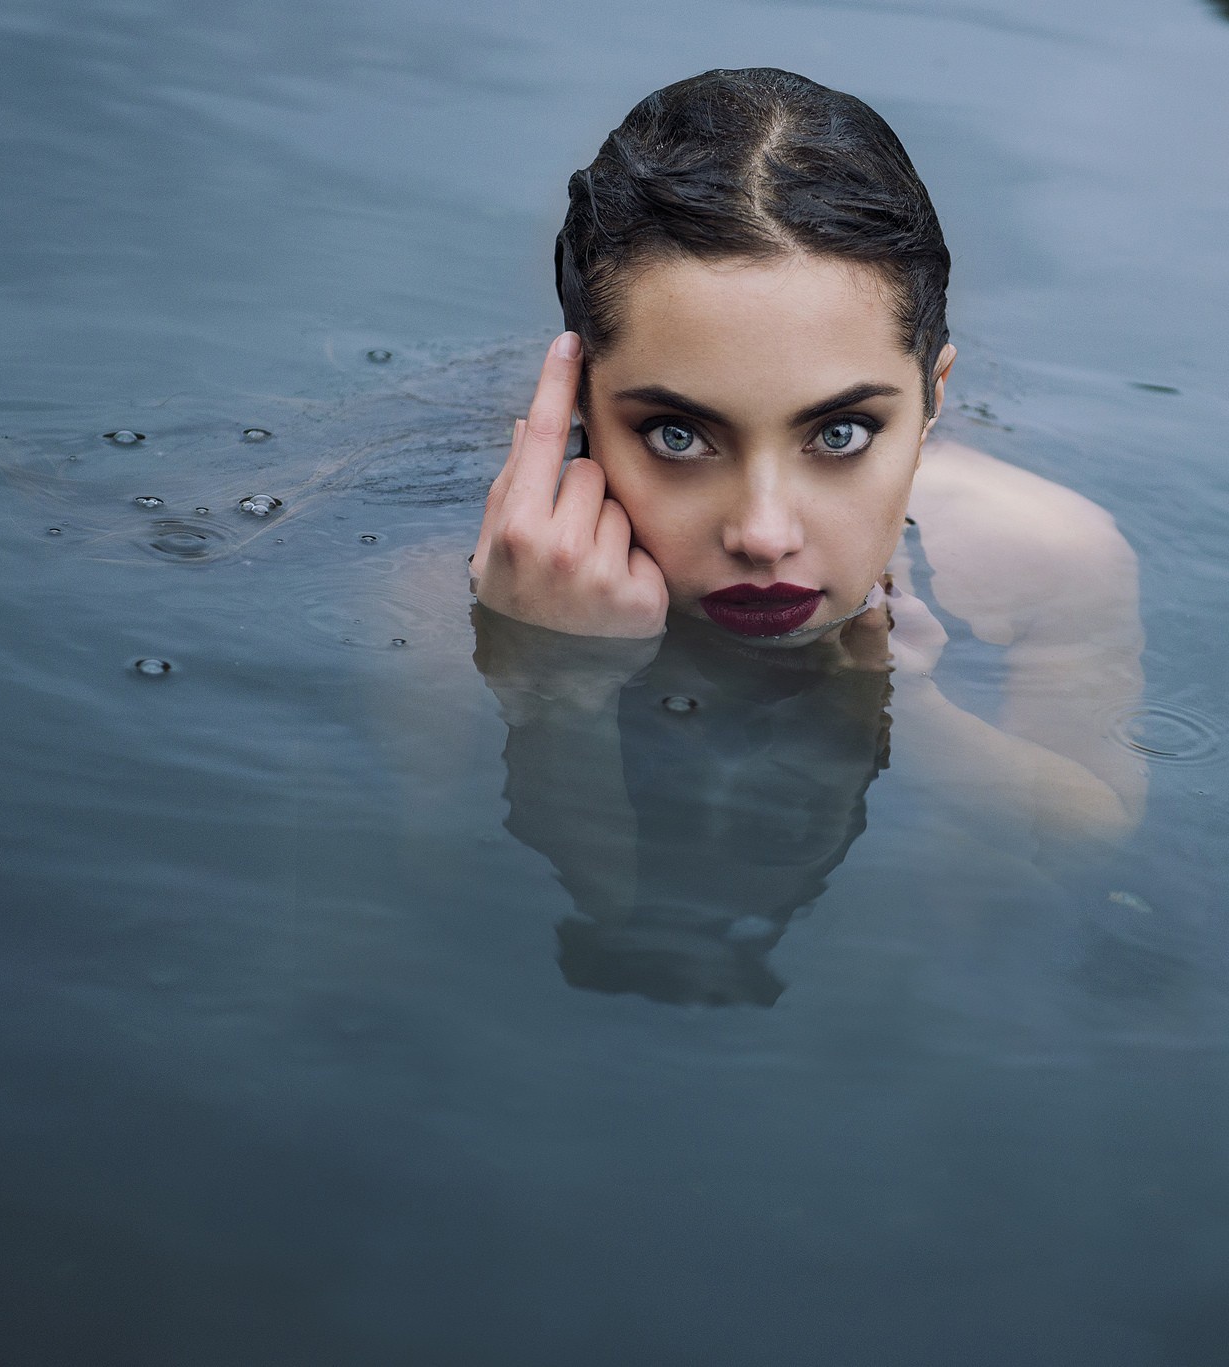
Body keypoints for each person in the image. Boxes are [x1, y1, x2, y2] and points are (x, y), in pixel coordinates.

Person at [470, 70, 1145, 1000]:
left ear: (934, 398)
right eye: (678, 434)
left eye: (840, 433)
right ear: (578, 408)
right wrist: (550, 679)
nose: (762, 532)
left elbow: (1083, 841)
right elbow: (435, 895)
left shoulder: (1045, 556)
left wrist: (902, 707)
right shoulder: (457, 590)